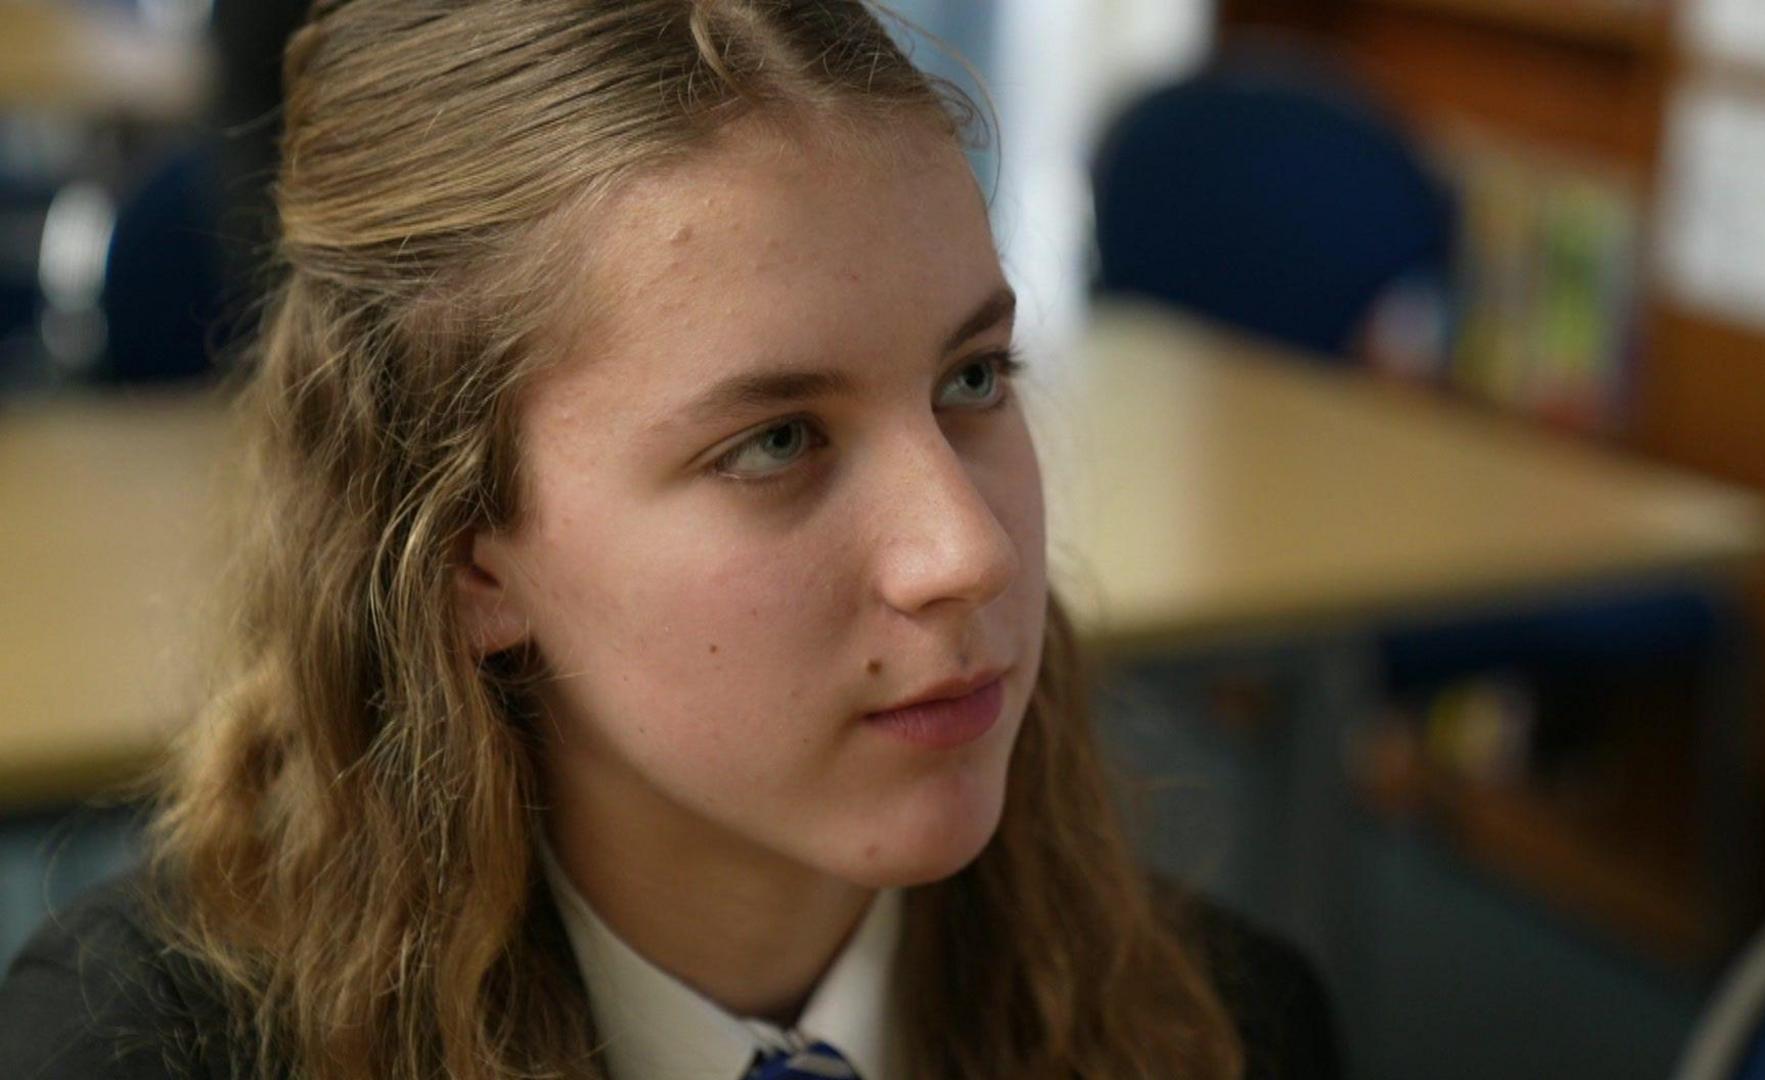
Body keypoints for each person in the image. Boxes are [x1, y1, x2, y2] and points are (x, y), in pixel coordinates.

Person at [0, 2, 1340, 1077]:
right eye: (774, 443)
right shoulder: (137, 1050)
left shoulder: (1228, 1026)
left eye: (973, 379)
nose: (970, 552)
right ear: (469, 555)